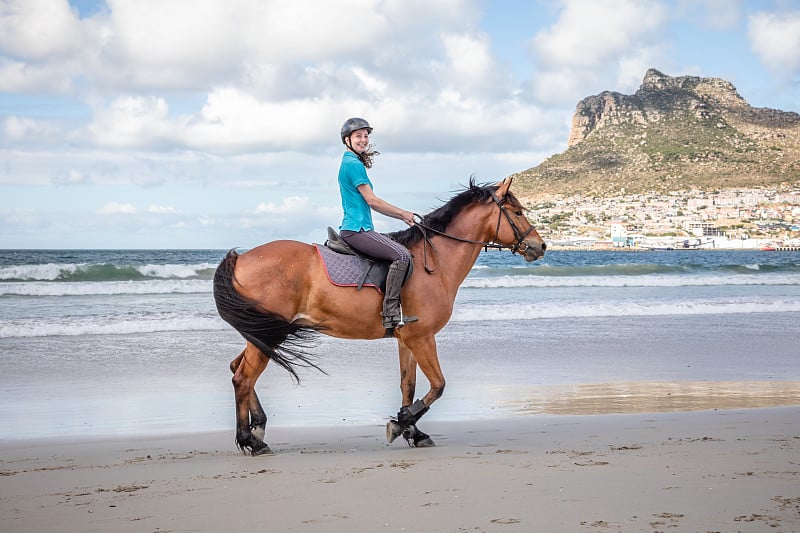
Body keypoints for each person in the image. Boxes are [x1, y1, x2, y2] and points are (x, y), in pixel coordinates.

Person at [337, 117, 418, 329]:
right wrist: (402, 214)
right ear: (347, 140)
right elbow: (372, 201)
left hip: (360, 227)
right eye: (358, 136)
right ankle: (390, 312)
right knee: (401, 255)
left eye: (365, 136)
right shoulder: (353, 165)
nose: (363, 140)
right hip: (357, 229)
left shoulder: (350, 162)